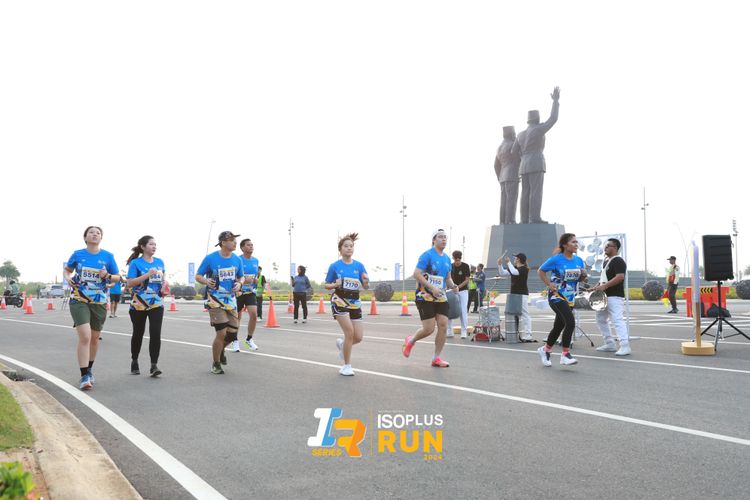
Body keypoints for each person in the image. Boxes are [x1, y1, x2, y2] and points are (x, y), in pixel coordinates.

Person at [63, 226, 120, 390]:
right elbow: (67, 270)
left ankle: (89, 369)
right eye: (91, 233)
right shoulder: (78, 254)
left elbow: (117, 277)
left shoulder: (108, 256)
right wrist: (68, 278)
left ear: (101, 238)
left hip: (99, 301)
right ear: (85, 237)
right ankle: (84, 376)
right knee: (85, 336)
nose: (95, 235)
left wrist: (107, 276)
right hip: (79, 299)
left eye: (98, 233)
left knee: (95, 338)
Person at [402, 229, 458, 368]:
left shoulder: (447, 259)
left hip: (440, 296)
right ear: (434, 240)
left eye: (445, 237)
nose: (443, 239)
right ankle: (411, 341)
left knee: (443, 325)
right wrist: (432, 288)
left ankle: (436, 358)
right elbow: (416, 274)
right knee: (429, 329)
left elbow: (448, 278)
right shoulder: (427, 255)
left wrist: (453, 286)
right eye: (440, 237)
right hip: (425, 295)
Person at [195, 231, 244, 375]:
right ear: (223, 242)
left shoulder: (237, 259)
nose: (235, 243)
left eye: (235, 240)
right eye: (232, 240)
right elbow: (198, 276)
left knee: (232, 334)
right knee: (221, 332)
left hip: (231, 300)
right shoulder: (210, 258)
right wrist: (206, 281)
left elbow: (241, 277)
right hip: (215, 300)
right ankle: (216, 363)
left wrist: (240, 284)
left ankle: (221, 349)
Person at [537, 233, 586, 367]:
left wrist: (583, 276)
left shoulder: (579, 260)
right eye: (573, 242)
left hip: (570, 297)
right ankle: (565, 354)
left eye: (576, 242)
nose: (576, 245)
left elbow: (581, 279)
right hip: (556, 296)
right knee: (570, 322)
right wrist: (549, 284)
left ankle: (545, 350)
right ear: (565, 245)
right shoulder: (556, 259)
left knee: (559, 326)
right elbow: (541, 271)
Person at [512, 86, 560, 224]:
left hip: (524, 165)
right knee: (536, 192)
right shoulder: (539, 129)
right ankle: (534, 218)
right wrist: (555, 101)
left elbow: (513, 152)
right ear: (537, 119)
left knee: (525, 193)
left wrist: (523, 158)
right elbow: (553, 118)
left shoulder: (520, 134)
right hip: (536, 162)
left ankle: (524, 219)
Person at [324, 233, 369, 376]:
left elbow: (366, 286)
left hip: (355, 302)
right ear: (340, 249)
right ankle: (346, 366)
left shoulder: (359, 266)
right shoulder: (335, 266)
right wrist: (334, 285)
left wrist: (366, 281)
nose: (349, 248)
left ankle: (343, 346)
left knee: (358, 337)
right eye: (346, 246)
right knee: (349, 333)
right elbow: (326, 285)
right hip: (339, 300)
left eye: (351, 246)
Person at [126, 235, 168, 377]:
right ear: (143, 247)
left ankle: (154, 365)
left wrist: (164, 285)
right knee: (138, 333)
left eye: (155, 244)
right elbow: (130, 283)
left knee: (155, 333)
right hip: (139, 304)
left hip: (156, 303)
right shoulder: (136, 263)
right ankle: (134, 360)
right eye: (151, 244)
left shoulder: (160, 262)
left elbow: (163, 278)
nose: (154, 247)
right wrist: (147, 275)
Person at [592, 238, 630, 356]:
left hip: (615, 296)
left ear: (616, 248)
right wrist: (595, 287)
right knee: (600, 319)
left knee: (617, 319)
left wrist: (605, 286)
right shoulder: (606, 261)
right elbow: (603, 279)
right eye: (606, 245)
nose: (605, 247)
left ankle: (625, 345)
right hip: (604, 296)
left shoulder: (618, 260)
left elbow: (620, 277)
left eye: (609, 246)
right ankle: (609, 343)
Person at [498, 253, 533, 341]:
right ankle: (512, 332)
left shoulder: (524, 269)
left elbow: (514, 272)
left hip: (522, 294)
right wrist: (500, 264)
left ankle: (528, 334)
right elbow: (502, 273)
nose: (514, 259)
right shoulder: (514, 268)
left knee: (524, 313)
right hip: (513, 293)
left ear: (519, 259)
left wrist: (508, 262)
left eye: (515, 258)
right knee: (512, 314)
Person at [236, 238, 260, 351]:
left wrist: (255, 280)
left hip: (250, 292)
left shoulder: (256, 260)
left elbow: (256, 276)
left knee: (254, 315)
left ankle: (249, 339)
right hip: (238, 292)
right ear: (242, 247)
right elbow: (233, 277)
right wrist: (243, 281)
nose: (251, 246)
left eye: (252, 245)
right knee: (237, 317)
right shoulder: (238, 260)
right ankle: (234, 340)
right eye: (248, 245)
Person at [494, 125, 521, 224]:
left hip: (502, 177)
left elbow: (495, 165)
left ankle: (502, 221)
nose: (515, 135)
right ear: (511, 134)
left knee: (504, 201)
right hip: (512, 174)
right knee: (511, 199)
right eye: (514, 133)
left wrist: (500, 177)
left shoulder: (499, 148)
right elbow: (519, 158)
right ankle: (510, 220)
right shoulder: (513, 144)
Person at [448, 250, 470, 338]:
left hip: (463, 291)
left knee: (463, 311)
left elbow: (467, 280)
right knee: (450, 310)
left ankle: (464, 331)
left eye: (458, 260)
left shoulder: (465, 266)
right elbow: (448, 278)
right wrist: (452, 287)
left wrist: (458, 287)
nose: (457, 262)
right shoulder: (450, 266)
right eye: (455, 260)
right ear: (453, 258)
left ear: (460, 258)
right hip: (452, 290)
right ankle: (449, 331)